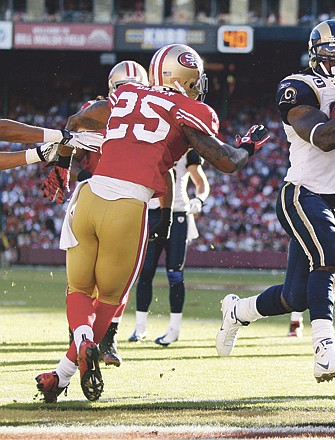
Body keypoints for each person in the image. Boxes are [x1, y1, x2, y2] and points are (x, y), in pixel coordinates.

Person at [32, 43, 269, 403]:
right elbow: (228, 161)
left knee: (78, 290)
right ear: (187, 77)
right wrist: (249, 145)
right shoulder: (188, 110)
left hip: (88, 197)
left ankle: (64, 371)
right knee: (110, 298)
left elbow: (76, 123)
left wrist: (63, 164)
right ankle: (84, 344)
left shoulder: (125, 94)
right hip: (128, 205)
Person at [215, 19, 335, 383]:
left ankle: (238, 311)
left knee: (296, 297)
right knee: (329, 259)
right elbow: (323, 137)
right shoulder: (299, 85)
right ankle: (325, 351)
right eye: (329, 54)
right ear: (314, 54)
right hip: (302, 193)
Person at [46, 60, 151, 367]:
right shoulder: (151, 107)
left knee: (99, 282)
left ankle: (99, 338)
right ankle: (84, 340)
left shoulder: (99, 108)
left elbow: (68, 132)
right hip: (116, 197)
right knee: (108, 282)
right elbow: (73, 138)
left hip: (98, 198)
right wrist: (73, 171)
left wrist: (63, 167)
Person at [128, 149, 210, 346]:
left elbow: (201, 183)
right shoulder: (149, 145)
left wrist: (198, 200)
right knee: (145, 272)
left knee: (175, 274)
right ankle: (140, 327)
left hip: (179, 213)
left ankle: (174, 329)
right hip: (152, 212)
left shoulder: (186, 151)